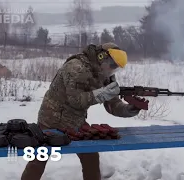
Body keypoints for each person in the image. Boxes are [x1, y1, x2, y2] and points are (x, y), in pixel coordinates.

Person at [21, 42, 142, 180]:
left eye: (116, 68)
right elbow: (76, 100)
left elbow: (113, 104)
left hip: (75, 120)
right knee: (39, 158)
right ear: (102, 57)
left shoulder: (104, 74)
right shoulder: (76, 67)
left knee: (90, 156)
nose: (112, 70)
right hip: (51, 119)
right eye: (113, 65)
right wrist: (101, 94)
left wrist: (131, 108)